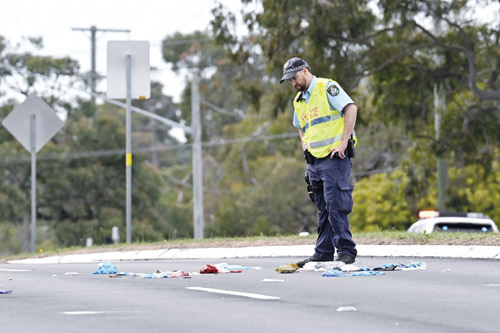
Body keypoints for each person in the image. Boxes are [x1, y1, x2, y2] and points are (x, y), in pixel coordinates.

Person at [280, 57, 358, 265]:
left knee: (336, 205)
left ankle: (346, 251)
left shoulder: (327, 87)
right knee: (323, 207)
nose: (293, 83)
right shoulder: (299, 100)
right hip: (314, 161)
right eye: (289, 81)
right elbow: (300, 125)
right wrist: (305, 146)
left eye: (294, 78)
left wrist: (343, 143)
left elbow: (351, 108)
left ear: (305, 71)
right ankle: (323, 252)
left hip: (335, 157)